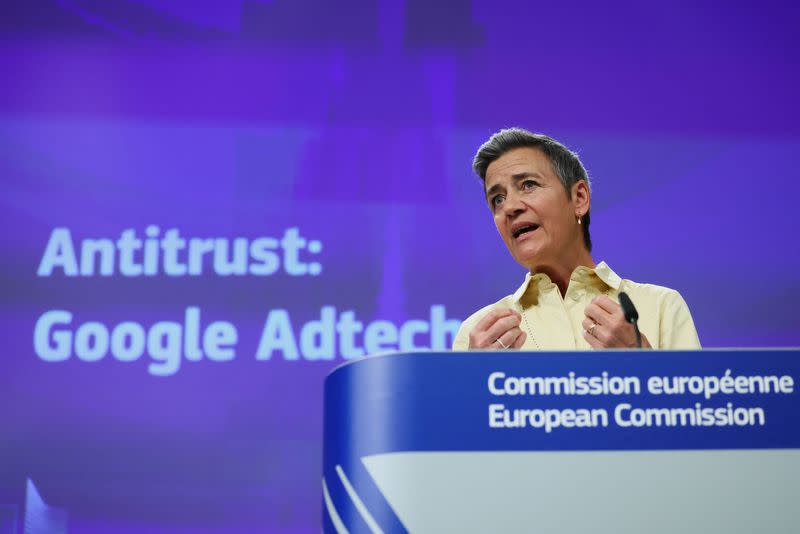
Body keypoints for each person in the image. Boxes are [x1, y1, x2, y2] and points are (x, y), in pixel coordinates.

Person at [452, 128, 700, 351]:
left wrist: (641, 360)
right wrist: (476, 378)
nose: (509, 207)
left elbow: (697, 403)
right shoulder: (479, 335)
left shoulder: (661, 307)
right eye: (497, 199)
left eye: (528, 185)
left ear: (579, 198)